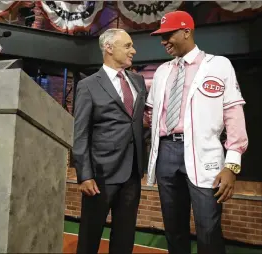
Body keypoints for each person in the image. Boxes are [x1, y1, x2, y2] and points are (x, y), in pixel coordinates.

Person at [145, 11, 248, 254]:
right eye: (161, 37)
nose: (163, 42)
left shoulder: (219, 64)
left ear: (187, 31)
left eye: (168, 35)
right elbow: (150, 115)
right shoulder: (161, 72)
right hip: (166, 153)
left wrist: (232, 165)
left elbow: (234, 116)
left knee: (209, 229)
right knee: (173, 228)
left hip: (206, 155)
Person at [73, 28, 146, 254]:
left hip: (132, 174)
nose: (133, 50)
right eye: (127, 46)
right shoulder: (88, 85)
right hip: (100, 176)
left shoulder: (138, 81)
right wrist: (85, 175)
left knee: (125, 237)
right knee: (89, 236)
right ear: (108, 47)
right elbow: (81, 133)